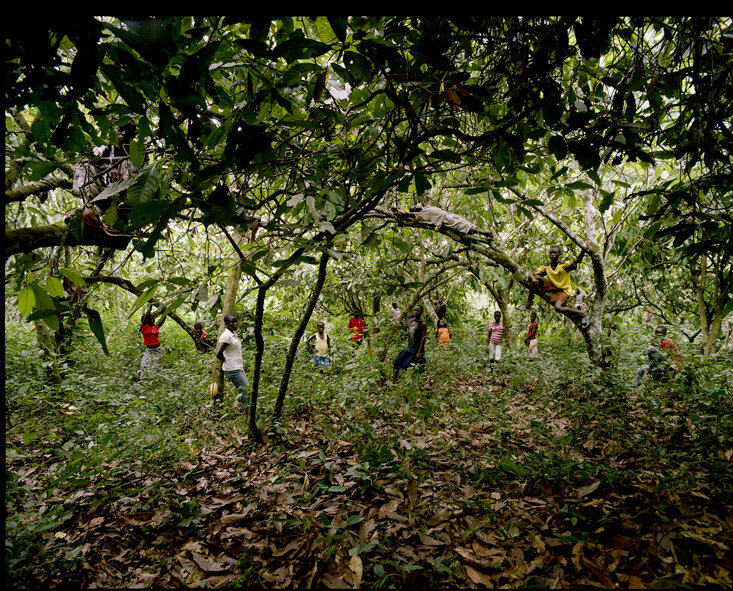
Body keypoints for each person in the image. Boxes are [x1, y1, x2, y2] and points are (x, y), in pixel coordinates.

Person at [71, 122, 138, 236]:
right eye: (121, 130)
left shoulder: (138, 152)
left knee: (129, 162)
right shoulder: (105, 147)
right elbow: (88, 160)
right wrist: (108, 167)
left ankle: (119, 222)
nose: (124, 133)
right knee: (84, 166)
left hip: (124, 198)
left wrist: (108, 163)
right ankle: (90, 211)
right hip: (102, 195)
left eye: (129, 131)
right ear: (113, 132)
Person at [517, 245, 589, 327]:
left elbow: (577, 260)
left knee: (557, 308)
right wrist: (533, 279)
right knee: (535, 277)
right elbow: (532, 274)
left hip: (563, 290)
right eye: (551, 252)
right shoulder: (547, 266)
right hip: (552, 286)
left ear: (559, 254)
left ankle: (582, 313)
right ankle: (528, 305)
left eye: (555, 252)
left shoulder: (564, 265)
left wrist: (583, 250)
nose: (552, 254)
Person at [406, 201, 493, 238]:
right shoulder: (419, 214)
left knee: (469, 224)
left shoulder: (426, 207)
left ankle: (486, 234)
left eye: (416, 205)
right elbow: (405, 213)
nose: (417, 206)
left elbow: (429, 202)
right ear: (414, 211)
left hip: (449, 214)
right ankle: (486, 233)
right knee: (464, 227)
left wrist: (428, 197)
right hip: (445, 220)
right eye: (415, 207)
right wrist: (397, 210)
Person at [215, 314, 250, 405]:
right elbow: (218, 353)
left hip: (238, 367)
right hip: (232, 369)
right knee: (245, 393)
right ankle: (250, 415)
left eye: (236, 322)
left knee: (248, 391)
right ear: (226, 323)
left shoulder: (233, 334)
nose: (235, 324)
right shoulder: (226, 336)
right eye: (232, 322)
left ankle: (251, 414)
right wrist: (225, 360)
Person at [393, 305, 428, 382]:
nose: (415, 312)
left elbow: (423, 338)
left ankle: (423, 385)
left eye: (417, 310)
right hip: (409, 347)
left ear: (421, 312)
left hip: (417, 349)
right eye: (414, 310)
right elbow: (410, 328)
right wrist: (405, 318)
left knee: (421, 368)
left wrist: (419, 352)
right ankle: (394, 380)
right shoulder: (413, 321)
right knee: (397, 361)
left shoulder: (423, 323)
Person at [139, 304, 166, 379]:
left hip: (158, 349)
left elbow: (163, 319)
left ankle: (155, 380)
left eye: (153, 318)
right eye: (150, 318)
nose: (152, 320)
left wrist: (165, 311)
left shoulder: (155, 327)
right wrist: (151, 305)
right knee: (145, 364)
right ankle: (144, 380)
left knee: (157, 365)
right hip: (149, 350)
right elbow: (147, 315)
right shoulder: (144, 326)